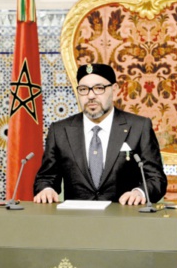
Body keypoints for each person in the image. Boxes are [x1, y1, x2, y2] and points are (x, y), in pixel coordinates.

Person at [33, 63, 167, 205]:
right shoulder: (60, 130)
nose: (91, 96)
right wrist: (46, 189)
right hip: (75, 221)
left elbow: (156, 179)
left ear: (114, 89)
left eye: (99, 88)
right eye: (83, 89)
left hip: (124, 219)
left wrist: (139, 192)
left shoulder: (139, 127)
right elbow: (45, 178)